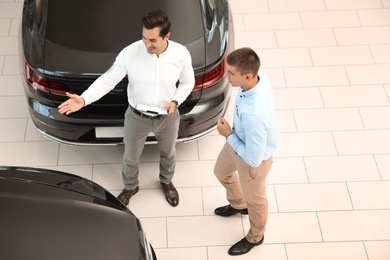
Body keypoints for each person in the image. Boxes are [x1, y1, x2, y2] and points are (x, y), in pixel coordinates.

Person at [58, 10, 195, 207]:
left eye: (153, 40)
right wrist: (84, 99)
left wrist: (176, 101)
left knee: (169, 152)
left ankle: (166, 181)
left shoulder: (181, 54)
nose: (147, 45)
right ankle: (131, 186)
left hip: (168, 117)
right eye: (144, 38)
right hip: (137, 117)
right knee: (130, 157)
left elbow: (187, 82)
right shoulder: (130, 53)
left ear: (167, 36)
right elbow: (107, 81)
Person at [213, 47, 277, 256]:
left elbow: (253, 158)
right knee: (221, 172)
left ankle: (255, 237)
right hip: (238, 140)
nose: (226, 75)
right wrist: (232, 136)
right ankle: (239, 204)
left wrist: (227, 134)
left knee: (256, 203)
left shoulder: (254, 116)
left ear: (247, 76)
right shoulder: (258, 79)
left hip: (252, 161)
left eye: (231, 73)